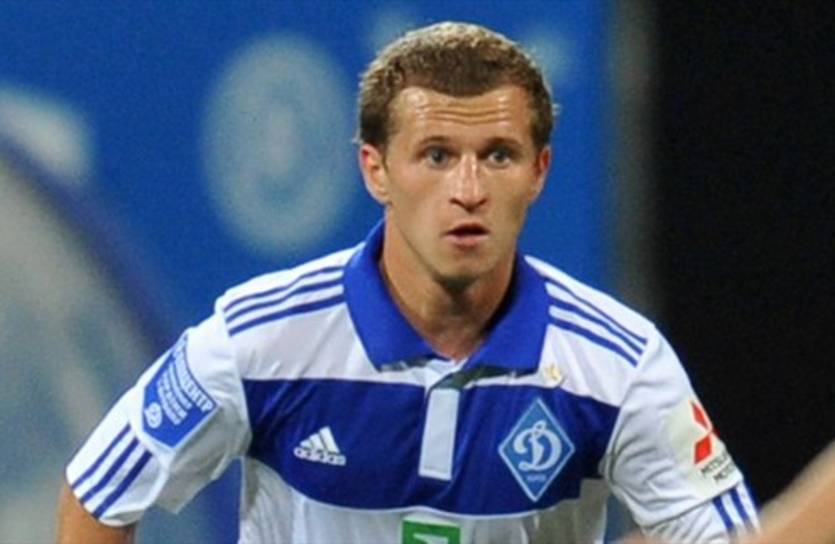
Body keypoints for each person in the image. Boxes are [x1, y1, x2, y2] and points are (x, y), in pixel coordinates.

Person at [57, 21, 758, 543]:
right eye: (436, 156)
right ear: (375, 170)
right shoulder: (258, 339)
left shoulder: (620, 364)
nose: (468, 190)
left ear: (539, 172)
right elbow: (99, 496)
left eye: (498, 155)